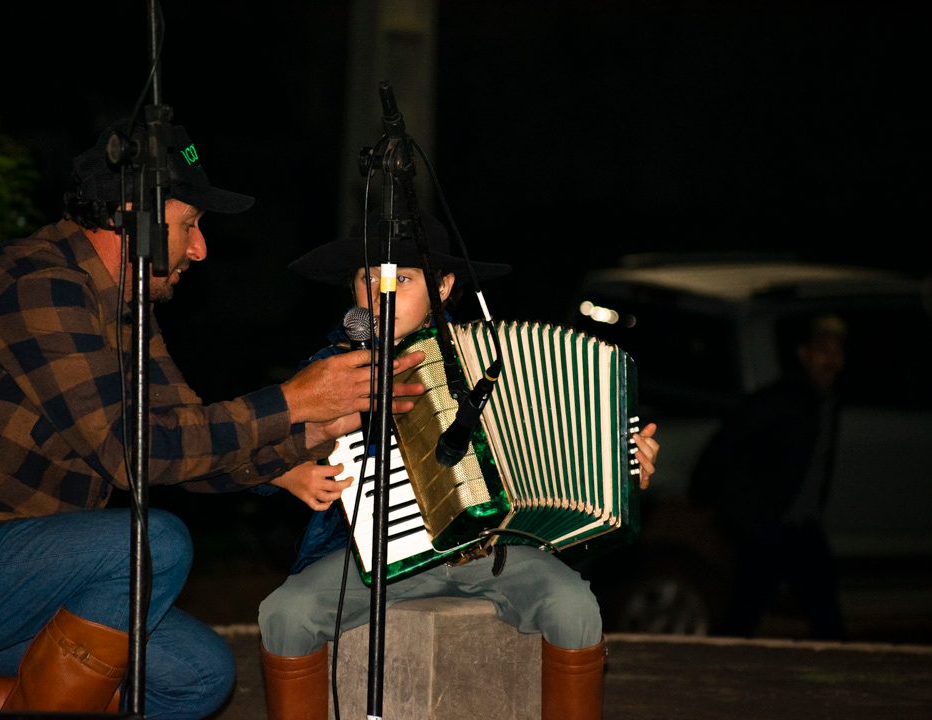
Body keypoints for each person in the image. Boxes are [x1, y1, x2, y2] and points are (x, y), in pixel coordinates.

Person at [0, 119, 425, 717]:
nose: (201, 248)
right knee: (152, 541)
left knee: (197, 676)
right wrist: (291, 401)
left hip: (7, 579)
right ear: (135, 218)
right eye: (190, 225)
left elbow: (183, 444)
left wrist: (311, 432)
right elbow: (138, 454)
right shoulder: (40, 286)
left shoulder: (122, 306)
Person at [255, 208, 660, 720]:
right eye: (367, 278)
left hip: (495, 551)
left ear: (444, 287)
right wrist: (287, 472)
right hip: (374, 558)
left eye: (401, 278)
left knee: (574, 607)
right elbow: (253, 452)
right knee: (285, 614)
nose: (380, 293)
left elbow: (561, 442)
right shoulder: (330, 368)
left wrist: (623, 468)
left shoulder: (492, 356)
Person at [689, 311, 849, 641]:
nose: (830, 360)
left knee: (823, 609)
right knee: (746, 608)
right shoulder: (782, 398)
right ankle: (716, 668)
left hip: (800, 525)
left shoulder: (828, 402)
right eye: (822, 351)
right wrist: (710, 496)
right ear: (804, 354)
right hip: (766, 524)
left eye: (837, 352)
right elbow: (727, 441)